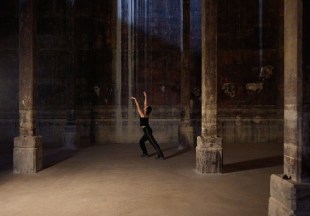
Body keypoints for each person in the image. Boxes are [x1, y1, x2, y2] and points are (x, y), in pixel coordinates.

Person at [131, 91, 165, 160]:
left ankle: (161, 156)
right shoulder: (146, 114)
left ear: (146, 109)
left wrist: (135, 100)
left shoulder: (143, 115)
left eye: (145, 107)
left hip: (147, 131)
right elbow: (145, 103)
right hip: (147, 130)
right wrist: (145, 96)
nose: (145, 106)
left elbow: (137, 107)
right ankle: (145, 153)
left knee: (154, 143)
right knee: (141, 142)